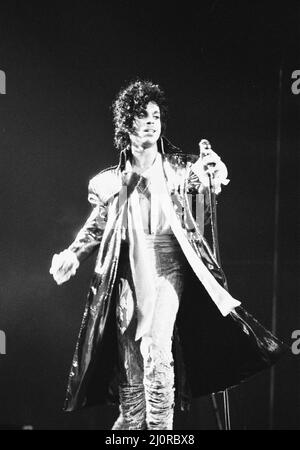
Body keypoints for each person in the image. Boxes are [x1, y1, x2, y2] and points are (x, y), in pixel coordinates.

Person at [50, 80, 286, 430]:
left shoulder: (176, 167)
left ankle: (162, 431)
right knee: (131, 363)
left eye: (156, 115)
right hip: (129, 271)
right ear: (126, 124)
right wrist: (72, 253)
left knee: (156, 348)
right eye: (142, 115)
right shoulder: (110, 181)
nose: (150, 121)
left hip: (167, 266)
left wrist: (213, 169)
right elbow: (98, 224)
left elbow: (205, 178)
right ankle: (130, 426)